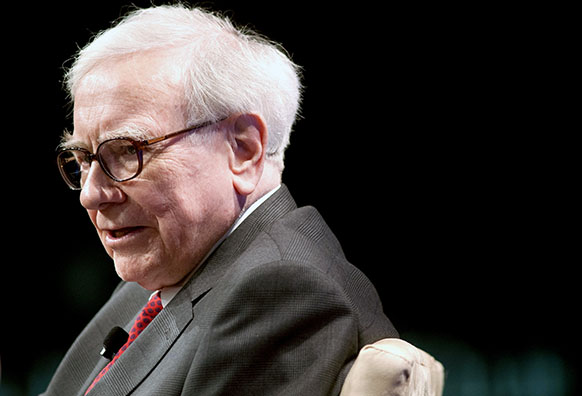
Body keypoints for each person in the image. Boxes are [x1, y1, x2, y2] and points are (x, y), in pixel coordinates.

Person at [44, 4, 397, 395]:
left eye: (128, 151)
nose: (91, 195)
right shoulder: (159, 280)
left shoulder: (282, 292)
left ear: (243, 150)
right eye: (82, 159)